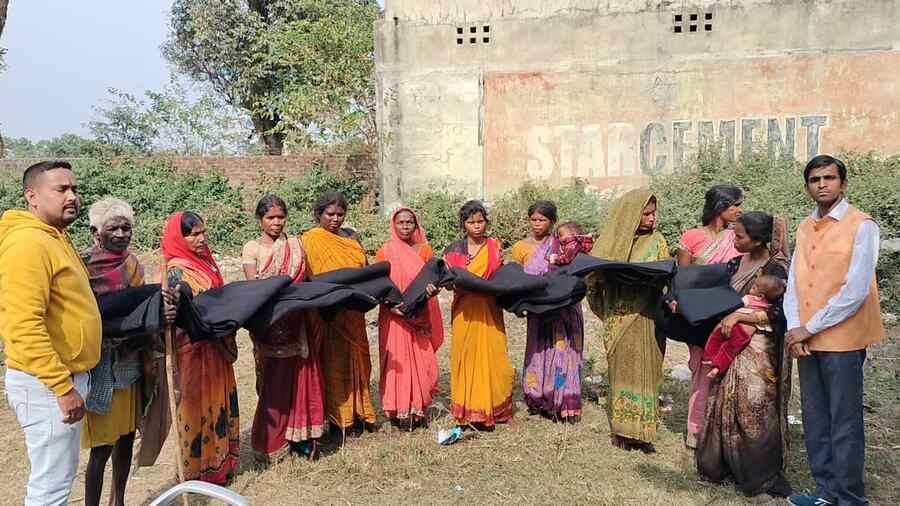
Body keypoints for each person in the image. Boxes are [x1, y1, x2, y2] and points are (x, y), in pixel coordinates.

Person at [784, 155, 884, 506]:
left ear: (842, 183)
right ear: (807, 185)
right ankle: (826, 493)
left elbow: (855, 290)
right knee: (815, 417)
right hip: (807, 338)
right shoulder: (804, 226)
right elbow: (794, 283)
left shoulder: (863, 225)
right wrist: (795, 328)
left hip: (843, 337)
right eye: (815, 179)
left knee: (844, 422)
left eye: (829, 178)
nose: (822, 184)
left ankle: (850, 498)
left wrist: (807, 328)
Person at [0, 161, 102, 505]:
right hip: (47, 383)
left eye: (74, 188)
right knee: (51, 486)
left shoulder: (55, 236)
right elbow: (22, 325)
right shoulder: (28, 244)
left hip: (61, 378)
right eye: (61, 189)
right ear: (32, 196)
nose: (72, 196)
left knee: (58, 478)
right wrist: (62, 387)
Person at [696, 211, 793, 497]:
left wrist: (741, 317)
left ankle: (759, 473)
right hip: (731, 344)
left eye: (740, 236)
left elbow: (781, 313)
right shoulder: (735, 263)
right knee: (726, 400)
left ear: (760, 240)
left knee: (754, 407)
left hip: (760, 351)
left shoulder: (776, 270)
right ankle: (723, 464)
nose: (734, 240)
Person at [80, 198, 152, 506]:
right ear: (96, 232)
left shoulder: (133, 264)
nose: (122, 234)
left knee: (126, 436)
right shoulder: (80, 266)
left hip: (130, 360)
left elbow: (142, 308)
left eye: (127, 228)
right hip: (99, 364)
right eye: (114, 228)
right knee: (102, 447)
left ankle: (118, 500)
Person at [242, 195, 324, 460]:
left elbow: (308, 280)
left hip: (297, 322)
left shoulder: (295, 246)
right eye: (270, 218)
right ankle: (270, 443)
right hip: (269, 323)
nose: (276, 222)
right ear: (260, 220)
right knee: (273, 383)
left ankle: (299, 436)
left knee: (298, 377)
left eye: (280, 217)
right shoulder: (252, 248)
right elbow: (254, 287)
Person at [587, 189, 669, 452]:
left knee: (648, 369)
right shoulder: (613, 243)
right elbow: (593, 280)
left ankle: (643, 433)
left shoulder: (658, 241)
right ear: (631, 215)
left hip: (647, 315)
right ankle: (622, 431)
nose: (651, 219)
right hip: (619, 316)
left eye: (653, 213)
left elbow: (666, 274)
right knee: (621, 370)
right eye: (646, 214)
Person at [162, 211, 240, 484]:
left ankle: (221, 463)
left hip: (215, 345)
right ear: (178, 238)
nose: (201, 238)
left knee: (218, 402)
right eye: (193, 234)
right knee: (197, 407)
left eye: (203, 232)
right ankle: (197, 471)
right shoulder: (177, 269)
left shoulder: (207, 262)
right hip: (192, 349)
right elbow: (178, 311)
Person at [300, 191, 377, 434]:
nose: (335, 219)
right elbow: (310, 276)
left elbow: (364, 269)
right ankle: (338, 421)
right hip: (329, 313)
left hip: (354, 311)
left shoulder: (352, 237)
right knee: (333, 364)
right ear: (319, 214)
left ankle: (361, 414)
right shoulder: (310, 239)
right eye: (329, 214)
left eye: (340, 214)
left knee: (360, 360)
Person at [677, 184, 744, 449]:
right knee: (700, 371)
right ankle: (696, 431)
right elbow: (682, 279)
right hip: (698, 315)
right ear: (720, 207)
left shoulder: (739, 237)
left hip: (728, 313)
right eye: (735, 205)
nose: (739, 211)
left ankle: (721, 434)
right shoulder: (691, 237)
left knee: (724, 371)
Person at [510, 201, 585, 421]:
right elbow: (518, 279)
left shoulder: (563, 243)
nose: (537, 224)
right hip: (538, 309)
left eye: (542, 220)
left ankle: (564, 402)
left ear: (552, 222)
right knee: (538, 351)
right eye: (533, 219)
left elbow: (577, 268)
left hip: (564, 307)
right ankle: (538, 398)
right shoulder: (520, 248)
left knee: (564, 353)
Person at [444, 200, 513, 429]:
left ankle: (493, 408)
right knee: (467, 356)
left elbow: (500, 276)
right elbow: (448, 282)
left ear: (486, 222)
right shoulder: (454, 250)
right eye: (471, 222)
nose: (476, 226)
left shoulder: (495, 246)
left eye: (480, 221)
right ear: (463, 224)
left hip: (490, 308)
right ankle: (469, 410)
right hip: (465, 310)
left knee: (494, 355)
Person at [374, 207, 444, 428]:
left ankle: (419, 410)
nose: (405, 227)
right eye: (401, 222)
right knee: (397, 363)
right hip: (393, 315)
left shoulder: (424, 250)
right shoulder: (386, 250)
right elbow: (378, 283)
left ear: (416, 225)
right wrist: (390, 305)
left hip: (419, 314)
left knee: (422, 360)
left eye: (409, 223)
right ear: (394, 225)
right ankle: (396, 413)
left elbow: (434, 280)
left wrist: (434, 291)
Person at [703, 274, 785, 378]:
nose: (751, 287)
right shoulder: (769, 307)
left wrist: (733, 315)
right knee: (729, 349)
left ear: (761, 296)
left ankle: (709, 358)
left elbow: (733, 305)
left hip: (735, 326)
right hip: (744, 333)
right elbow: (767, 318)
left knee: (715, 337)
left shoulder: (748, 299)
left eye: (754, 287)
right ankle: (717, 368)